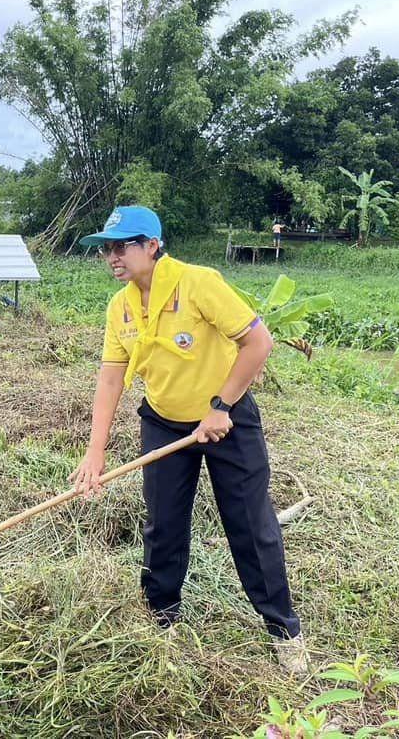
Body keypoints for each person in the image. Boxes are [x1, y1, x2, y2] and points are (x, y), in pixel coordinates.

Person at [69, 205, 308, 673]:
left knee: (250, 525)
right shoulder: (119, 307)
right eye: (106, 249)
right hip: (163, 421)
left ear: (152, 246)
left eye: (122, 246)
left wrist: (221, 407)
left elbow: (258, 343)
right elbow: (110, 379)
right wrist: (94, 452)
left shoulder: (197, 283)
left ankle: (284, 632)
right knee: (163, 524)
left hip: (227, 421)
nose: (112, 257)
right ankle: (162, 619)